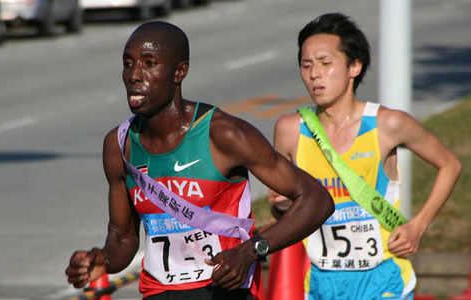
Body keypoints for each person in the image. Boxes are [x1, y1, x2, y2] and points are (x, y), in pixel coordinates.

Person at [65, 21, 334, 300]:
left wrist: (250, 251)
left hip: (225, 292)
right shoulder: (119, 145)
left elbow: (317, 200)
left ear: (179, 72)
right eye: (128, 63)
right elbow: (123, 237)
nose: (135, 75)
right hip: (159, 293)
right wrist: (104, 259)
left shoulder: (222, 134)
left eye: (149, 63)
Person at [268, 12, 462, 300]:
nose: (314, 74)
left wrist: (417, 226)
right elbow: (278, 208)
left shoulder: (387, 124)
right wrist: (282, 207)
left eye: (325, 63)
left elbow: (450, 164)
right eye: (306, 65)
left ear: (354, 67)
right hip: (323, 282)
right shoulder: (289, 131)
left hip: (383, 277)